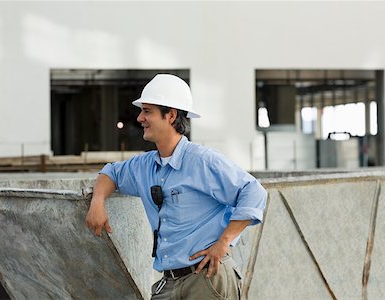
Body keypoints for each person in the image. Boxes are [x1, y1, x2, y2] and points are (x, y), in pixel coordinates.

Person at [85, 74, 267, 299]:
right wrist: (97, 201)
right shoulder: (143, 166)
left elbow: (254, 192)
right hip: (169, 283)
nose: (140, 117)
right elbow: (110, 172)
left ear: (170, 115)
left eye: (147, 111)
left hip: (208, 279)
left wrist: (224, 242)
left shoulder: (202, 161)